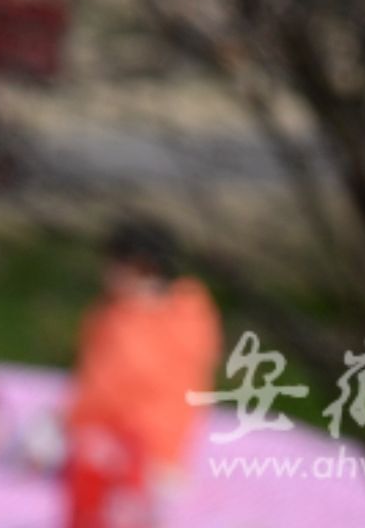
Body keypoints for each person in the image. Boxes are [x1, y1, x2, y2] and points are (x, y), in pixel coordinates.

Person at [62, 221, 222, 526]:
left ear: (136, 266)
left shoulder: (128, 318)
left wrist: (72, 423)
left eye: (110, 265)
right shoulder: (190, 307)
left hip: (137, 447)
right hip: (164, 449)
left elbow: (107, 387)